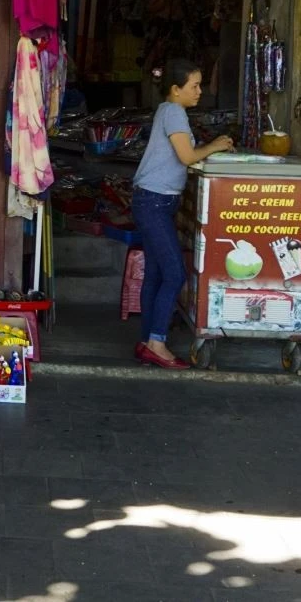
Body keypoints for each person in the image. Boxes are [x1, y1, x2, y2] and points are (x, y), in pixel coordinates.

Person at [132, 60, 233, 370]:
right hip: (154, 201)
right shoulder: (174, 112)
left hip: (153, 200)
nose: (200, 92)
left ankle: (147, 339)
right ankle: (157, 343)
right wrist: (214, 146)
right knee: (174, 273)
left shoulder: (169, 111)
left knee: (157, 273)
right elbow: (187, 156)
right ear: (175, 90)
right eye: (194, 86)